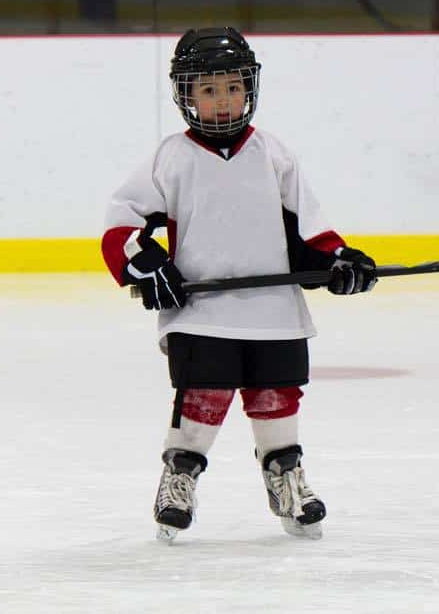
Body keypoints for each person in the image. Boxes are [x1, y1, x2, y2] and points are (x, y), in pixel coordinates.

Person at [101, 27, 378, 542]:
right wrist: (146, 264)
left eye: (232, 86)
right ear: (186, 95)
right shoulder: (171, 157)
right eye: (208, 90)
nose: (223, 100)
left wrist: (339, 261)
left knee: (277, 393)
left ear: (249, 88)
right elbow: (122, 225)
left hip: (274, 309)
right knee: (202, 392)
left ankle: (286, 476)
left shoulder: (274, 154)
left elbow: (309, 229)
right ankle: (180, 475)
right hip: (201, 314)